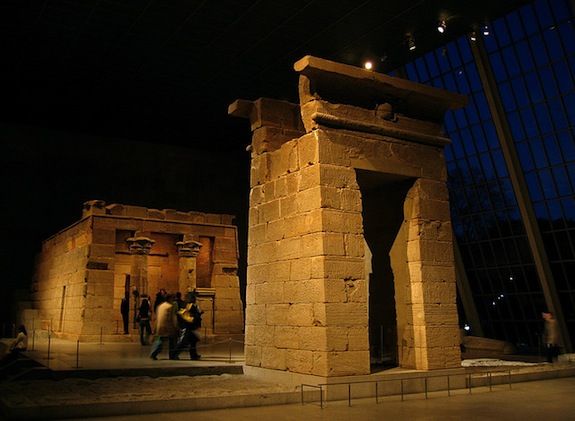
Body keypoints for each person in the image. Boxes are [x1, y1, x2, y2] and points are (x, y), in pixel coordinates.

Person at [172, 291, 203, 360]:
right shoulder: (190, 306)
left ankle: (194, 355)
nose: (195, 299)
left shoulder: (187, 305)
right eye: (194, 297)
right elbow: (193, 315)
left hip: (190, 326)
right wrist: (199, 314)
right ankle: (174, 354)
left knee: (193, 342)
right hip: (189, 327)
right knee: (184, 342)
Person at [150, 294, 178, 360]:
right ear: (169, 299)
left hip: (160, 325)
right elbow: (172, 318)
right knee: (172, 341)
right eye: (172, 298)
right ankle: (172, 355)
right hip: (167, 326)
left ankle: (154, 353)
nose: (173, 300)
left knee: (160, 339)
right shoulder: (170, 306)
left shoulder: (160, 306)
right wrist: (175, 326)